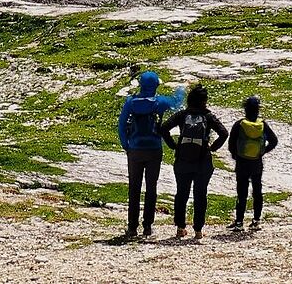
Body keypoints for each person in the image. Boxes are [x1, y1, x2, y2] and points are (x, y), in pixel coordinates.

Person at [161, 81, 228, 238]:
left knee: (181, 194)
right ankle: (198, 230)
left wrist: (173, 145)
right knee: (200, 195)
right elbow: (224, 133)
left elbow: (164, 128)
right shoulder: (208, 116)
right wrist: (212, 148)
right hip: (203, 161)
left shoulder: (183, 115)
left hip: (183, 159)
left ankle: (180, 228)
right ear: (204, 101)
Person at [116, 69, 171, 240]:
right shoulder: (159, 102)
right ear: (155, 85)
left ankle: (132, 227)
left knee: (134, 187)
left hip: (135, 150)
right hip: (154, 149)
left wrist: (126, 145)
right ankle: (147, 226)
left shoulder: (130, 102)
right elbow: (177, 101)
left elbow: (121, 124)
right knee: (151, 187)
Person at [227, 94, 280, 230]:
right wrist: (262, 152)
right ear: (258, 109)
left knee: (242, 192)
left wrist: (236, 156)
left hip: (242, 163)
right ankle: (256, 220)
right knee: (257, 191)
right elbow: (274, 141)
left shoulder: (239, 124)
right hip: (257, 162)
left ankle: (239, 222)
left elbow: (231, 145)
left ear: (245, 109)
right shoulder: (262, 125)